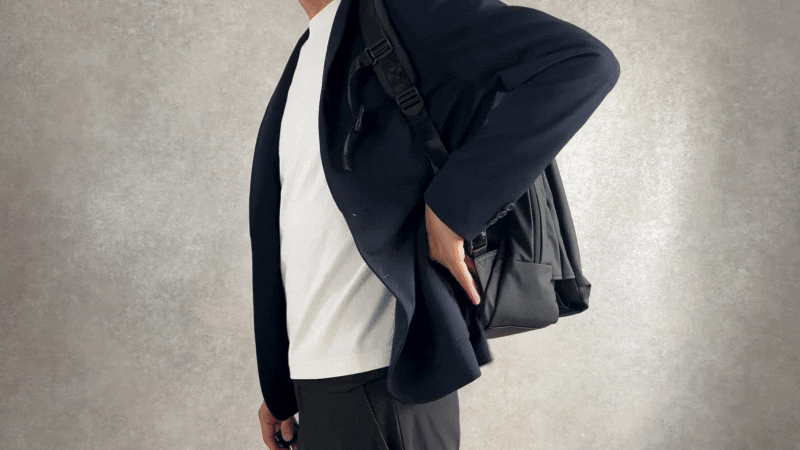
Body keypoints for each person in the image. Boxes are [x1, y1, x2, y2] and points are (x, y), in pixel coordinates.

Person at [250, 0, 620, 448]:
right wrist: (284, 384)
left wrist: (452, 210)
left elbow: (583, 62)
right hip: (319, 380)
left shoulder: (406, 12)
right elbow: (300, 227)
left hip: (380, 379)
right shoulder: (312, 48)